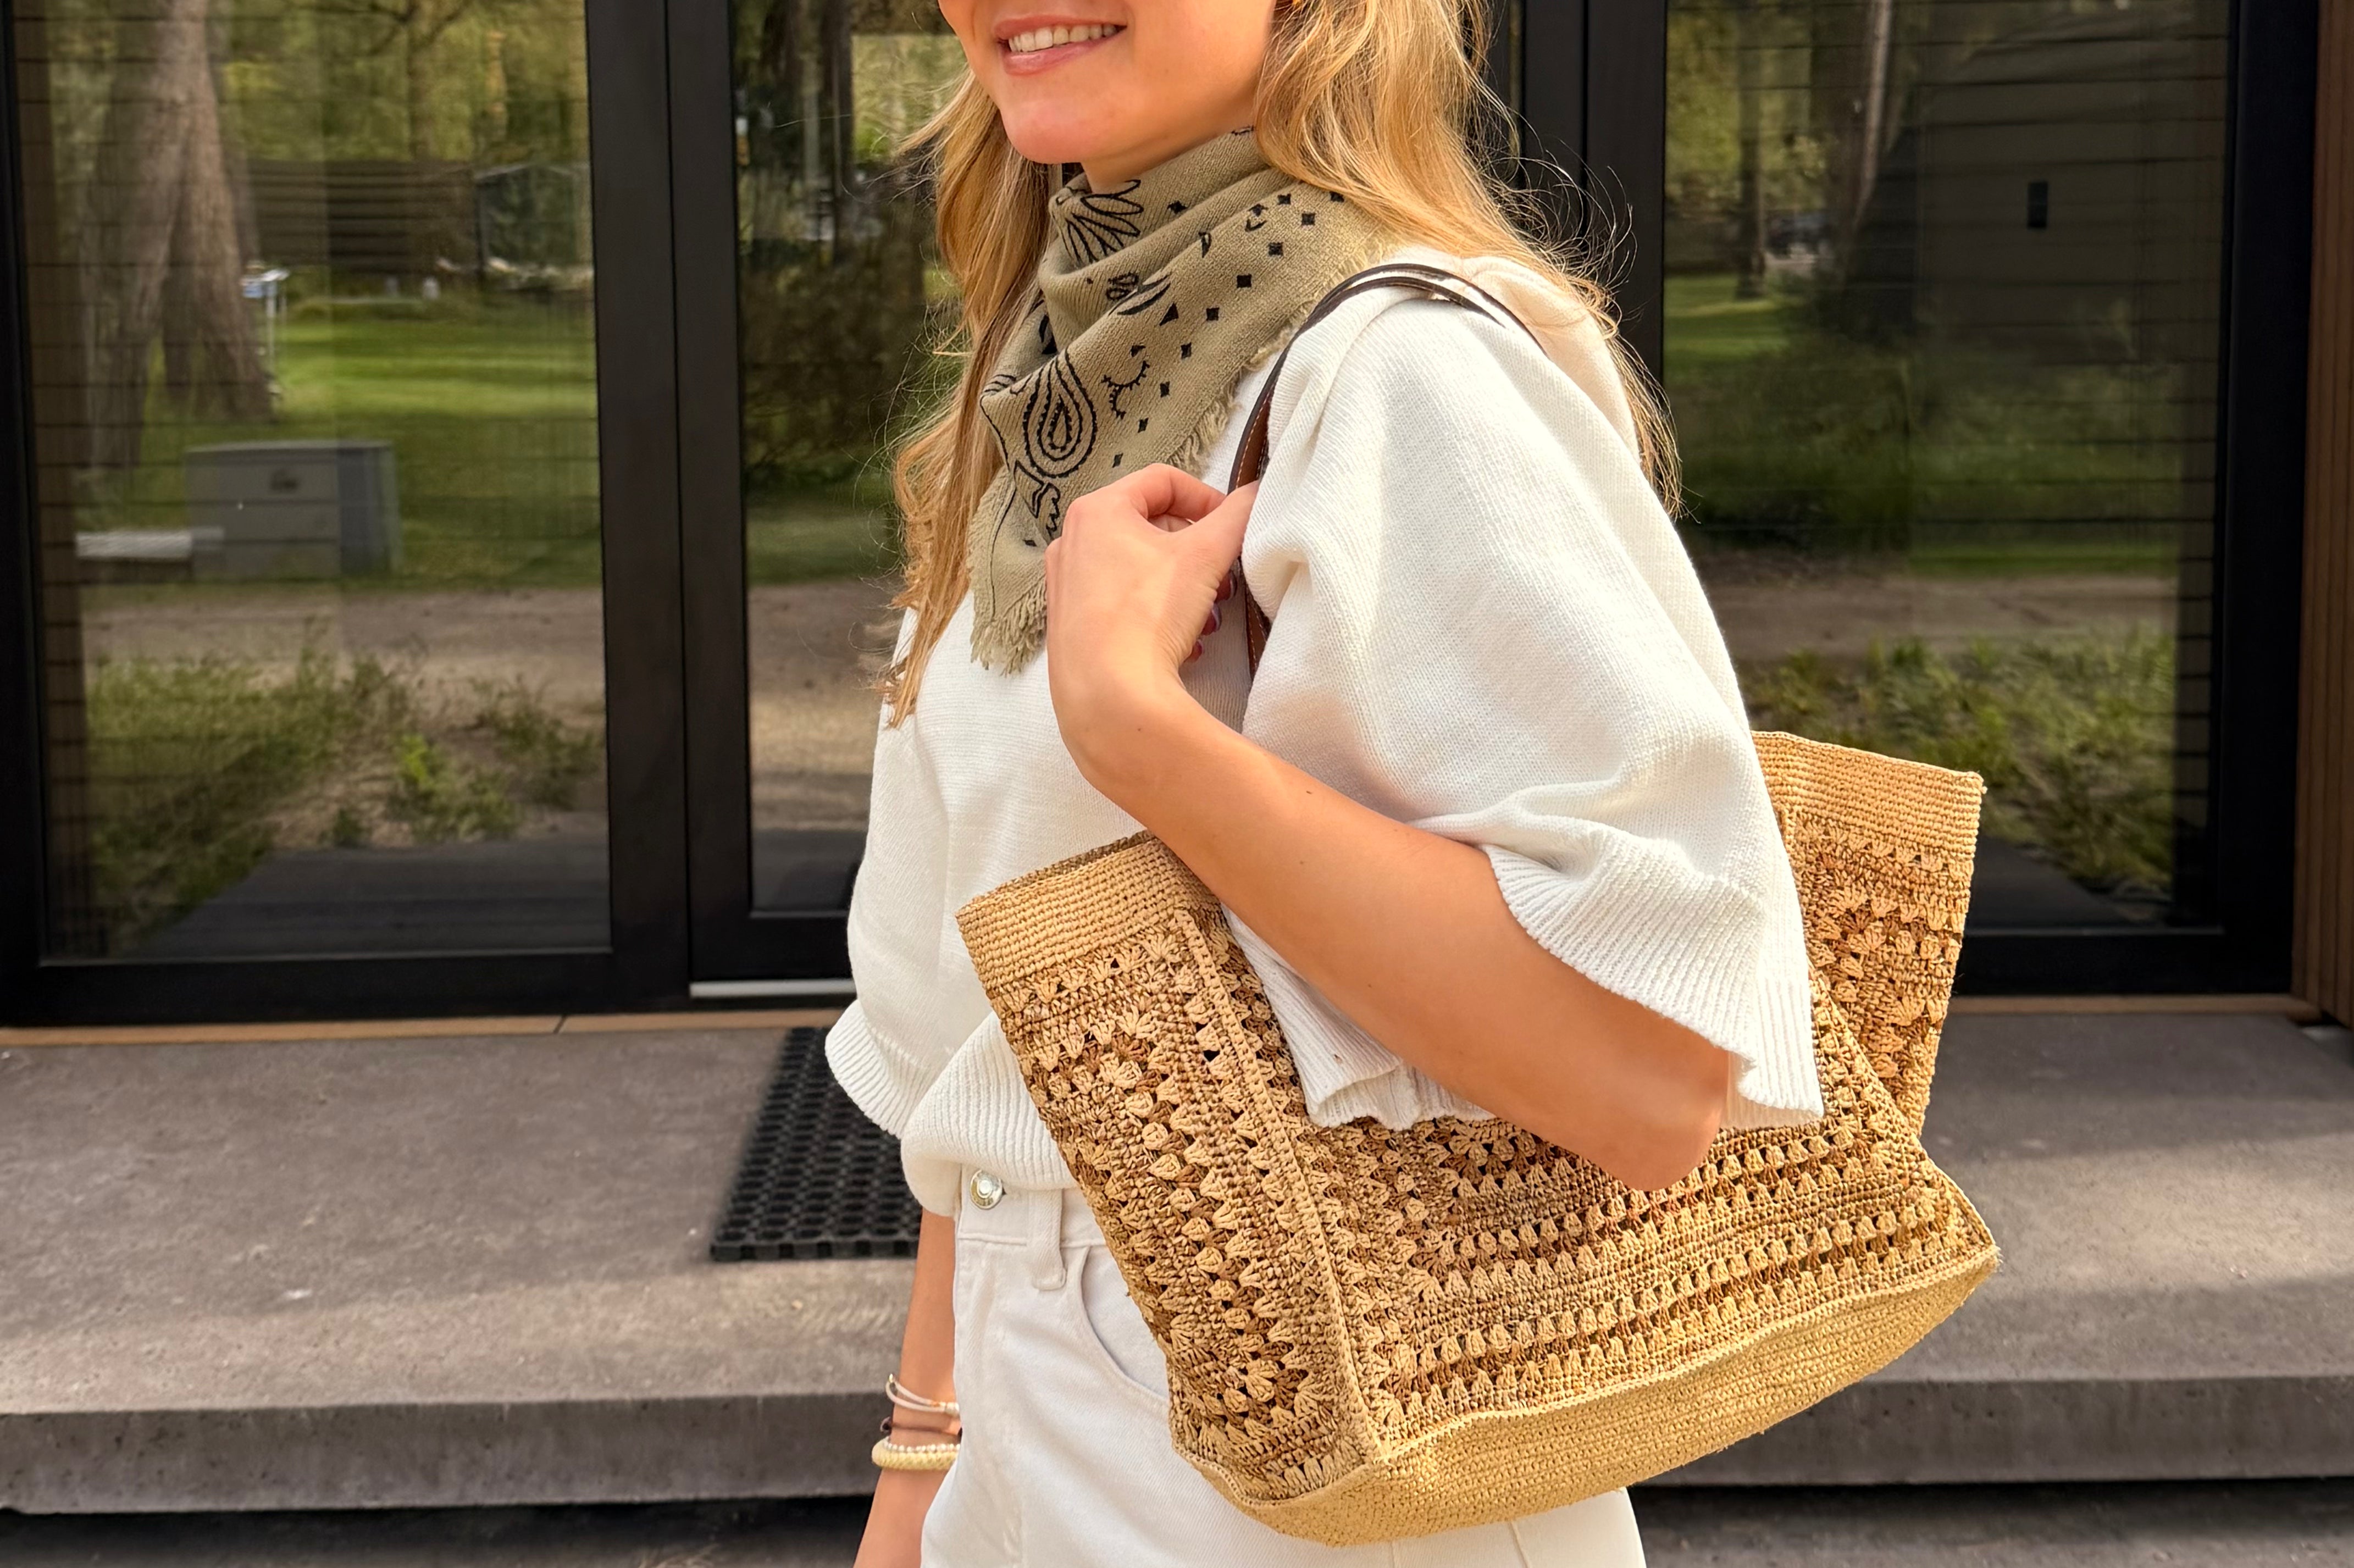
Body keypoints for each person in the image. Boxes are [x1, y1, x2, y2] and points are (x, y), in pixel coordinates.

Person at [826, 0, 1824, 1558]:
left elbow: (1652, 1070)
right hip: (1033, 1445)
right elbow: (988, 1071)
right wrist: (920, 1466)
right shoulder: (1040, 389)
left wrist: (1140, 735)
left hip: (1338, 1463)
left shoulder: (1400, 368)